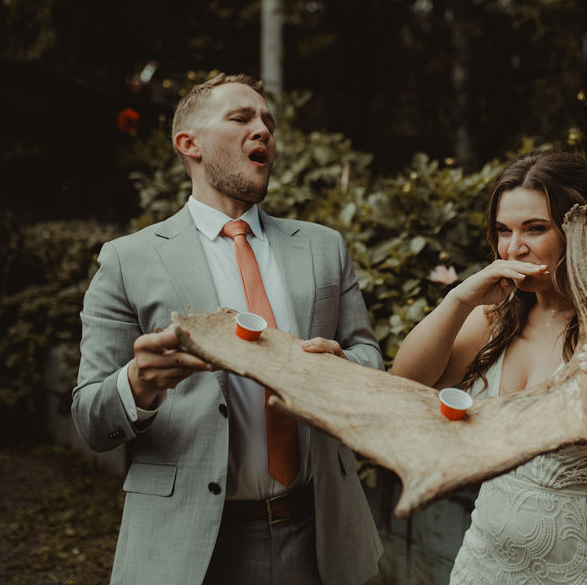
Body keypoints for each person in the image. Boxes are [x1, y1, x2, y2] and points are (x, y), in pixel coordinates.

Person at [72, 73, 383, 585]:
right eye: (241, 118)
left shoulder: (325, 247)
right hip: (190, 548)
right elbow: (90, 420)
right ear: (188, 144)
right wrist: (139, 384)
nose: (262, 129)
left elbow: (369, 354)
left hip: (320, 534)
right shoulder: (127, 260)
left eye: (267, 122)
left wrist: (342, 368)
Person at [391, 151, 587, 584]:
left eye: (535, 228)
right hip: (484, 568)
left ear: (581, 233)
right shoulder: (493, 320)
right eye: (503, 231)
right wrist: (458, 300)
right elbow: (404, 387)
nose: (514, 248)